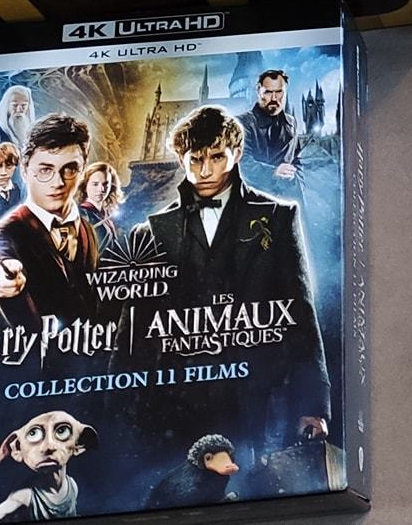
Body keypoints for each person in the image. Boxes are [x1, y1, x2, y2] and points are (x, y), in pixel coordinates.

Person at [133, 106, 331, 451]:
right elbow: (134, 334)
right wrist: (125, 415)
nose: (205, 170)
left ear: (237, 154)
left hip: (257, 402)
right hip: (175, 406)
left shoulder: (278, 217)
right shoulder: (150, 231)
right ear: (181, 160)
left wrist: (312, 405)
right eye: (195, 159)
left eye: (216, 157)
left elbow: (300, 313)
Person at [0, 113, 101, 332]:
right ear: (25, 171)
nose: (58, 182)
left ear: (82, 171)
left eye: (70, 169)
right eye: (45, 170)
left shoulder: (86, 231)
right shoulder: (2, 235)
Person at [236, 69, 303, 181]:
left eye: (279, 92)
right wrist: (273, 172)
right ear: (258, 91)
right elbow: (243, 163)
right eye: (268, 92)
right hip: (256, 190)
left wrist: (299, 182)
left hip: (288, 189)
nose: (274, 98)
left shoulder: (291, 123)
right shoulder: (242, 123)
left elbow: (297, 159)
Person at [77, 161, 125, 250]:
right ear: (85, 186)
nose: (101, 189)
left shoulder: (107, 214)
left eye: (106, 184)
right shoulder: (81, 214)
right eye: (95, 184)